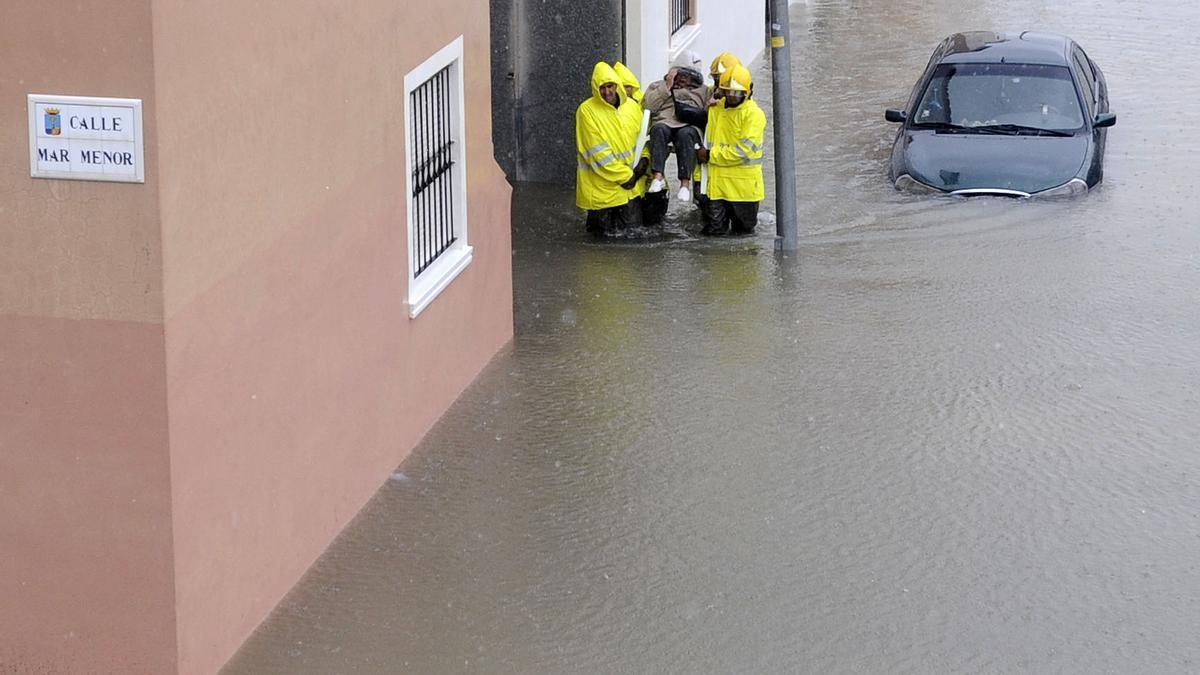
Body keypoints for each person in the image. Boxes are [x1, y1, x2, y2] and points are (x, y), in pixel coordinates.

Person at [575, 62, 649, 236]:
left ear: (617, 85)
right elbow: (598, 154)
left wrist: (645, 160)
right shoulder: (586, 111)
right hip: (602, 195)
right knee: (600, 245)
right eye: (602, 87)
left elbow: (644, 139)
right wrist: (627, 176)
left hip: (630, 192)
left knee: (631, 241)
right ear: (595, 88)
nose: (607, 92)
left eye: (610, 86)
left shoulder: (632, 107)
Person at [696, 64, 765, 236]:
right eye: (728, 92)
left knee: (743, 235)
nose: (732, 96)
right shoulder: (715, 109)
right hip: (717, 188)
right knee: (714, 234)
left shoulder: (753, 115)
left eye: (737, 93)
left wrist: (710, 155)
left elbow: (743, 152)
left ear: (748, 92)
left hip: (743, 191)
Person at [641, 50, 709, 203]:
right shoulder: (657, 86)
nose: (684, 78)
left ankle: (685, 184)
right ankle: (657, 177)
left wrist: (709, 106)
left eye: (688, 75)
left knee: (685, 134)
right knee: (658, 129)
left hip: (688, 126)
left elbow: (707, 114)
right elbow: (648, 106)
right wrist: (667, 87)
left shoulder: (704, 91)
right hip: (664, 122)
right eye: (681, 74)